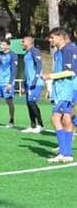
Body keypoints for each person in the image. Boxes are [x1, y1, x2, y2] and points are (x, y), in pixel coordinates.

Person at [43, 27, 76, 164]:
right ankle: (66, 153)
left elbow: (71, 72)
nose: (50, 40)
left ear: (60, 37)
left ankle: (64, 152)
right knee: (66, 119)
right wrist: (51, 88)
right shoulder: (60, 51)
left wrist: (50, 76)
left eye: (52, 37)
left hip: (67, 90)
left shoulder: (69, 49)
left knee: (55, 118)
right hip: (61, 90)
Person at [21, 34, 45, 134]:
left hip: (35, 83)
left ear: (29, 42)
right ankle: (33, 125)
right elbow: (26, 70)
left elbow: (39, 65)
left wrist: (35, 80)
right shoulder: (26, 53)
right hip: (28, 83)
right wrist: (23, 83)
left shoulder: (35, 51)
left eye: (23, 41)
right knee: (29, 103)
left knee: (32, 102)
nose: (21, 43)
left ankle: (41, 125)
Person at [0, 39, 18, 128]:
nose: (1, 46)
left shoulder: (13, 55)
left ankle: (11, 120)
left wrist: (10, 82)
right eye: (1, 44)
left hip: (7, 82)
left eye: (3, 44)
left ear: (8, 46)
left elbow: (14, 69)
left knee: (9, 102)